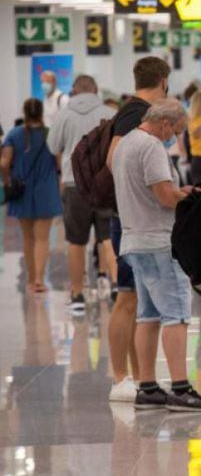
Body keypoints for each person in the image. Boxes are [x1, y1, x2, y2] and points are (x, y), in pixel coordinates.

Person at [109, 99, 201, 412]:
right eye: (176, 131)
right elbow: (165, 196)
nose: (174, 137)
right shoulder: (151, 146)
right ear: (165, 123)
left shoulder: (124, 144)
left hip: (134, 239)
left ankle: (148, 387)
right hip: (160, 242)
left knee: (149, 315)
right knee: (177, 315)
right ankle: (181, 388)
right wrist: (188, 195)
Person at [107, 56, 172, 403]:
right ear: (163, 82)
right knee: (127, 298)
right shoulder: (136, 114)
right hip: (132, 221)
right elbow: (114, 158)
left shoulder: (132, 111)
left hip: (133, 220)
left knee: (138, 301)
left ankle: (139, 378)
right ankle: (121, 378)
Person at [47, 74, 117, 311]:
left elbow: (53, 146)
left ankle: (77, 295)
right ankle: (115, 284)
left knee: (76, 240)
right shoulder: (108, 113)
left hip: (75, 184)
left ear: (74, 91)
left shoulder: (64, 114)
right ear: (96, 90)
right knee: (107, 236)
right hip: (105, 184)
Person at [1, 98, 63, 295]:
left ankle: (30, 279)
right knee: (43, 239)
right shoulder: (50, 134)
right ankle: (39, 279)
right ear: (41, 112)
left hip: (22, 189)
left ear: (25, 112)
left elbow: (4, 163)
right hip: (46, 189)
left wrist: (7, 179)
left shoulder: (14, 134)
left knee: (27, 238)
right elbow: (59, 163)